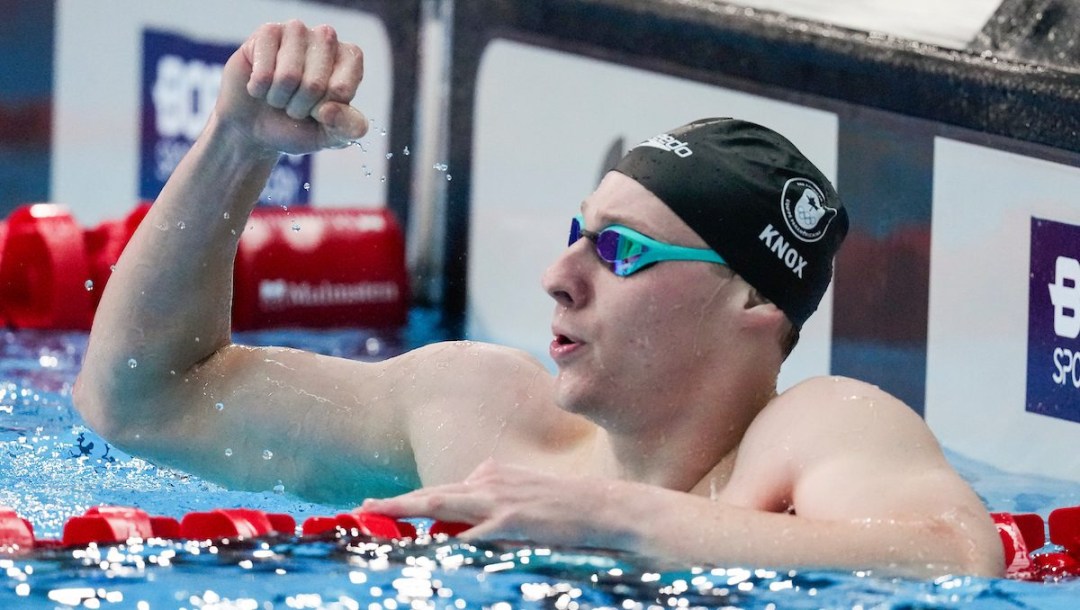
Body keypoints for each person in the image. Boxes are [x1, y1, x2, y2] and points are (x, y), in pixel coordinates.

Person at [73, 20, 1004, 578]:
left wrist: (613, 522)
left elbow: (954, 555)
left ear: (754, 298)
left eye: (620, 251)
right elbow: (143, 401)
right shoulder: (476, 417)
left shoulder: (818, 433)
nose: (560, 276)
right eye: (575, 234)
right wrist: (236, 146)